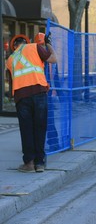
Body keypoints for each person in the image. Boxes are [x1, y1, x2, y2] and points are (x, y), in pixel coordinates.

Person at [6, 33, 57, 173]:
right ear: (26, 42)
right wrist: (48, 44)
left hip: (21, 97)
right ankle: (40, 164)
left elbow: (11, 83)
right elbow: (53, 59)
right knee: (40, 128)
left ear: (14, 47)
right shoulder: (34, 47)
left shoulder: (10, 60)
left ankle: (28, 163)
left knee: (26, 130)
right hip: (39, 93)